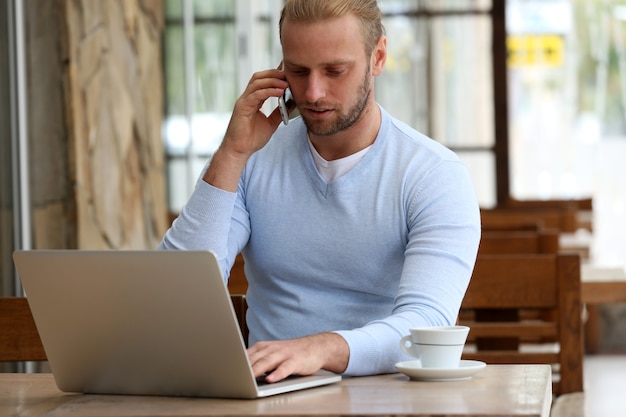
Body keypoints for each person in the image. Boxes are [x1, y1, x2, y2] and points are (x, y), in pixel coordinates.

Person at [159, 0, 481, 383]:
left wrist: (320, 349)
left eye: (334, 71)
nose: (312, 93)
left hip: (389, 399)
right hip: (272, 400)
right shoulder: (252, 159)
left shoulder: (433, 176)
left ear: (378, 58)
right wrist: (233, 153)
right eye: (298, 71)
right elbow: (174, 294)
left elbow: (428, 326)